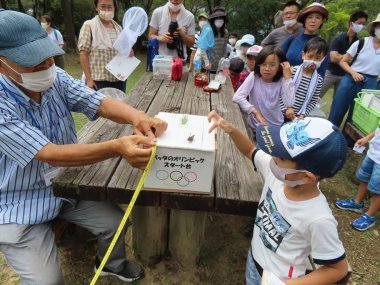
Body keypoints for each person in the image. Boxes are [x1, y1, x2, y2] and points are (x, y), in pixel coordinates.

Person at [0, 9, 167, 284]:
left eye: (48, 56)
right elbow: (49, 153)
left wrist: (138, 116)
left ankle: (110, 263)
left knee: (117, 223)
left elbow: (98, 102)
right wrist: (118, 147)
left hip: (65, 186)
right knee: (47, 281)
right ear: (2, 63)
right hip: (18, 201)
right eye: (32, 62)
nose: (45, 66)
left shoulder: (56, 78)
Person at [207, 111, 349, 285]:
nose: (271, 157)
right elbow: (250, 150)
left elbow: (338, 269)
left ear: (307, 177)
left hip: (279, 279)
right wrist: (231, 130)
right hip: (255, 259)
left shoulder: (319, 219)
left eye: (280, 157)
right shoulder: (279, 174)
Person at [328, 13, 380, 130]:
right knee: (338, 109)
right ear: (375, 27)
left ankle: (349, 142)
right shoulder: (362, 43)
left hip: (370, 83)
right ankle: (329, 135)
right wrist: (353, 73)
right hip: (351, 78)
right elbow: (343, 61)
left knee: (357, 115)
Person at [232, 46, 295, 132]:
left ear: (280, 66)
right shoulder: (254, 77)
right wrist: (254, 112)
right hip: (256, 126)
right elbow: (238, 97)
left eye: (272, 65)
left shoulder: (282, 81)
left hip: (276, 126)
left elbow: (289, 103)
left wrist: (287, 78)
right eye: (263, 64)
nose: (267, 69)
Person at [78, 0, 130, 92]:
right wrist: (89, 79)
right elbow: (83, 54)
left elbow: (123, 50)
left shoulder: (118, 27)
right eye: (103, 6)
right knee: (99, 106)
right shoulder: (89, 25)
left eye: (109, 7)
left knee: (119, 105)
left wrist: (129, 51)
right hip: (98, 80)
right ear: (96, 7)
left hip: (119, 79)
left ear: (114, 8)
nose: (106, 10)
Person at [336, 128, 380, 231]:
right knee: (365, 178)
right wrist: (367, 138)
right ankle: (357, 203)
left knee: (377, 190)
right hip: (373, 153)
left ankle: (370, 216)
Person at [320, 11, 368, 98]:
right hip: (330, 73)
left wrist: (341, 56)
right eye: (359, 23)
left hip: (344, 76)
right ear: (351, 23)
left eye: (363, 24)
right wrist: (347, 58)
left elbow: (354, 60)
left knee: (337, 101)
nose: (361, 26)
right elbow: (333, 58)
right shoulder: (338, 38)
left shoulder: (359, 42)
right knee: (316, 96)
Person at [280, 37, 328, 121]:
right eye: (310, 56)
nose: (313, 61)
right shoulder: (292, 71)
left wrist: (303, 114)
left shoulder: (319, 80)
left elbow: (313, 101)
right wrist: (286, 108)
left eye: (317, 58)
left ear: (323, 59)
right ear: (303, 55)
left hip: (296, 117)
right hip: (280, 112)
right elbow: (279, 91)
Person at [281, 2, 329, 78]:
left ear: (322, 21)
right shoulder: (292, 38)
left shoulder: (322, 45)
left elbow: (320, 74)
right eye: (310, 17)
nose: (313, 20)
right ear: (305, 19)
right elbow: (278, 57)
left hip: (304, 87)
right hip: (284, 82)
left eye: (318, 17)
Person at [208, 6, 229, 73]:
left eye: (221, 18)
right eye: (217, 18)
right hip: (208, 65)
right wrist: (206, 62)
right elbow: (204, 49)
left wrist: (224, 62)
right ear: (213, 20)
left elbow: (225, 47)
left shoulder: (225, 32)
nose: (219, 20)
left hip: (220, 66)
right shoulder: (208, 31)